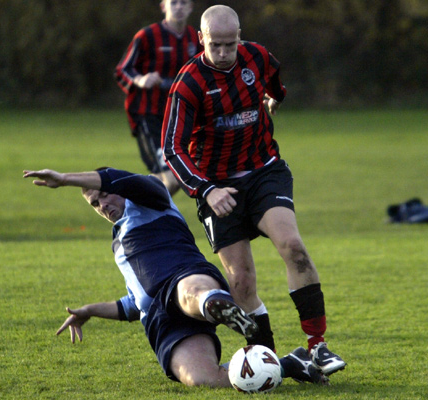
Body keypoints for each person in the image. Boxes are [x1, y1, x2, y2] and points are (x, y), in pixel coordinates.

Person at [162, 5, 346, 376]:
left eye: (230, 44)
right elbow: (173, 148)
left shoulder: (257, 57)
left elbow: (274, 80)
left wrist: (276, 96)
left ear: (240, 37)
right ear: (200, 39)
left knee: (292, 246)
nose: (223, 53)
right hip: (217, 186)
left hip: (264, 171)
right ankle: (270, 361)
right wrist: (206, 190)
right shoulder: (188, 84)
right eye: (215, 45)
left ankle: (318, 347)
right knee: (241, 282)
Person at [23, 166, 328, 387]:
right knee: (203, 379)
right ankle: (291, 364)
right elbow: (135, 304)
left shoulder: (151, 198)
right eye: (95, 204)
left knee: (189, 293)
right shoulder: (118, 245)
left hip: (187, 278)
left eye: (105, 195)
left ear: (120, 188)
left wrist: (65, 179)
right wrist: (90, 310)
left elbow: (114, 177)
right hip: (163, 320)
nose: (103, 205)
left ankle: (216, 306)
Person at [114, 0, 202, 196]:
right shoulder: (147, 36)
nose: (178, 7)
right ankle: (136, 208)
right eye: (174, 2)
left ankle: (133, 206)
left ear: (190, 7)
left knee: (162, 180)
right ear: (163, 6)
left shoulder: (194, 38)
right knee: (172, 177)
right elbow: (122, 70)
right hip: (149, 115)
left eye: (184, 2)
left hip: (178, 117)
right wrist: (140, 79)